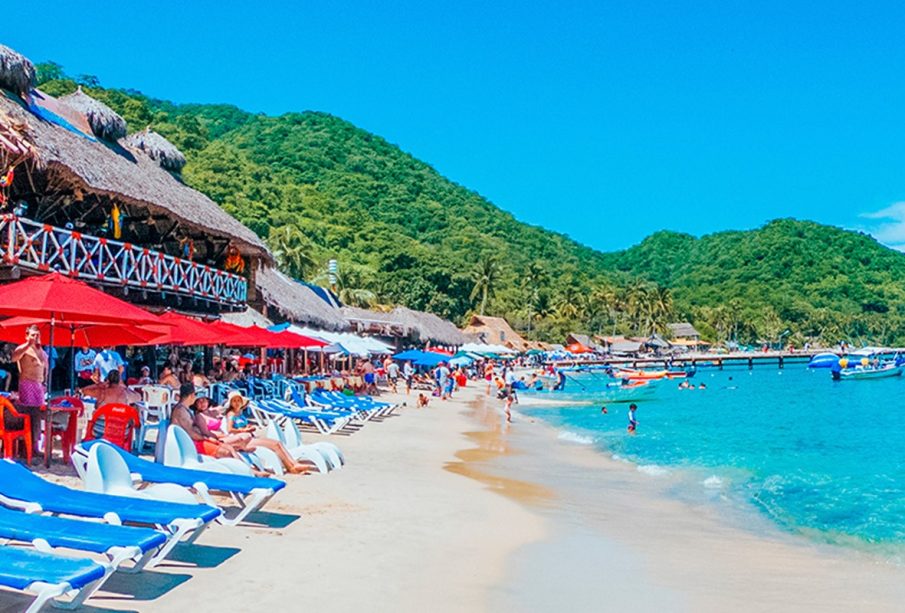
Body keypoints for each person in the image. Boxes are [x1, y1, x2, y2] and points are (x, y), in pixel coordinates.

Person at [221, 392, 313, 474]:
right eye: (234, 401)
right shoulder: (231, 414)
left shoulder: (239, 413)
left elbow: (240, 426)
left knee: (278, 443)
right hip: (243, 440)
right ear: (231, 403)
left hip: (248, 437)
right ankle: (292, 466)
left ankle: (293, 465)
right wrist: (244, 430)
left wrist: (248, 427)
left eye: (238, 400)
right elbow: (229, 429)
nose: (237, 403)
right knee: (276, 444)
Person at [170, 383, 243, 461]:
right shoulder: (181, 411)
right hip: (191, 443)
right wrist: (207, 439)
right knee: (226, 452)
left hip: (194, 441)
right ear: (191, 395)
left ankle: (249, 471)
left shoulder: (183, 409)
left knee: (230, 448)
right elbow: (191, 434)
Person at [10, 325, 47, 450]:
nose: (35, 338)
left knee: (38, 415)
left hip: (39, 386)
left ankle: (35, 444)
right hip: (27, 383)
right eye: (33, 335)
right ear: (27, 335)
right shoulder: (23, 348)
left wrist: (45, 384)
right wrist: (27, 344)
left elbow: (45, 369)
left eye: (37, 335)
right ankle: (27, 446)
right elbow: (14, 358)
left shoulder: (42, 351)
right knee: (30, 414)